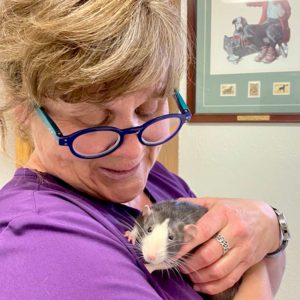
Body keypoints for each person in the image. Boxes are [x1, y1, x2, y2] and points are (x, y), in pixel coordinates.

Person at [0, 1, 288, 299]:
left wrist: (270, 232)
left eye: (148, 110)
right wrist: (257, 252)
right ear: (24, 108)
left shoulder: (156, 181)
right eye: (93, 121)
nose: (133, 153)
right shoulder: (43, 242)